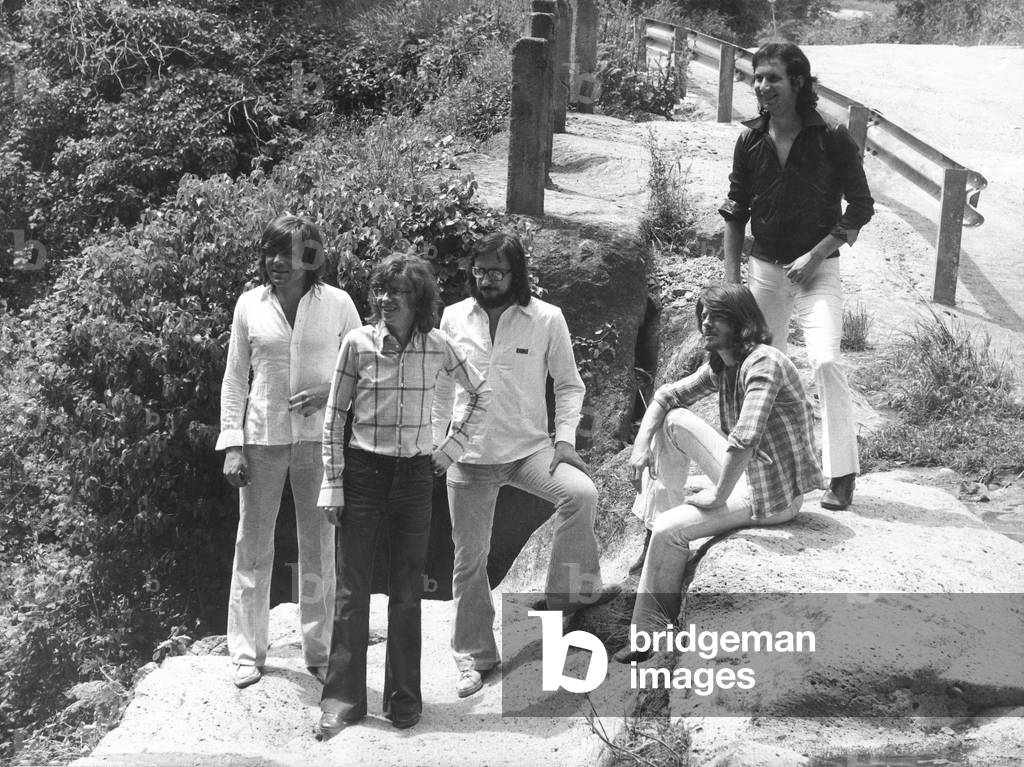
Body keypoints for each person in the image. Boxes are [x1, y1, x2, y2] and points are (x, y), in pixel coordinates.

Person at [432, 232, 618, 699]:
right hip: (468, 456)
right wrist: (437, 443)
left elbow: (569, 385)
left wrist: (565, 440)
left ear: (517, 274)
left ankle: (569, 601)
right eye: (479, 270)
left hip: (530, 450)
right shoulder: (453, 317)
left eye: (496, 272)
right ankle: (474, 658)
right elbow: (439, 387)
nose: (486, 279)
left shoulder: (546, 318)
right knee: (468, 559)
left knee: (581, 495)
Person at [316, 253, 489, 738]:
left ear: (420, 301)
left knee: (407, 590)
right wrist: (333, 483)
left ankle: (403, 700)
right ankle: (342, 700)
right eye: (381, 291)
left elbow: (480, 393)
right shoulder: (357, 343)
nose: (386, 300)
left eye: (398, 293)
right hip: (364, 475)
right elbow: (333, 417)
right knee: (351, 590)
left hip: (415, 477)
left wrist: (450, 448)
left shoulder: (438, 346)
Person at [616, 284, 822, 663]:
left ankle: (649, 632)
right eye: (704, 316)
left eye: (718, 316)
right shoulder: (723, 365)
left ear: (742, 322)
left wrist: (717, 496)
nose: (707, 324)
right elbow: (666, 396)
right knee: (673, 420)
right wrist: (641, 444)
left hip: (772, 495)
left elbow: (745, 438)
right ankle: (654, 531)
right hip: (746, 475)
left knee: (671, 530)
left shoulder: (764, 362)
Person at [720, 41, 873, 511]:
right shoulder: (749, 140)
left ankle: (841, 473)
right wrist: (731, 284)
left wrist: (817, 254)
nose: (763, 86)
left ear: (799, 82)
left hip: (818, 271)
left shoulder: (832, 138)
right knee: (762, 371)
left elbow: (861, 206)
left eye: (773, 78)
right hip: (765, 271)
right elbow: (735, 209)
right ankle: (769, 471)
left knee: (825, 361)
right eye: (758, 77)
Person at [217, 214, 361, 689]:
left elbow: (368, 368)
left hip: (319, 440)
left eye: (290, 252)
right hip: (261, 437)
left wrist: (326, 391)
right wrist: (232, 444)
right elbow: (236, 377)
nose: (277, 262)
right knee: (253, 543)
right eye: (270, 252)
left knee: (319, 546)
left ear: (312, 256)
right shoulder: (249, 306)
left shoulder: (338, 304)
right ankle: (246, 651)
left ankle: (319, 651)